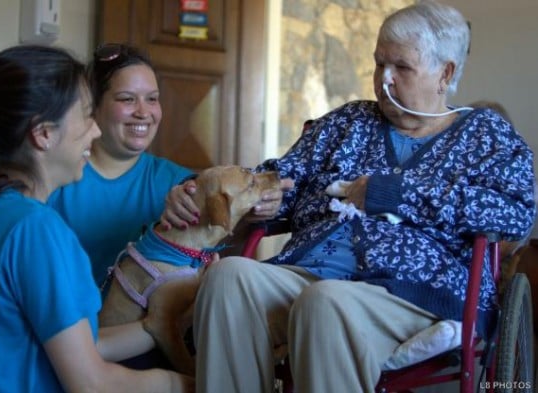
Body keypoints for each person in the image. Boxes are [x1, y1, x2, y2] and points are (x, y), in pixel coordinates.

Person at [161, 2, 536, 392]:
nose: (384, 80)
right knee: (228, 276)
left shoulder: (485, 135)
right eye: (379, 64)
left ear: (446, 73)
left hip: (413, 290)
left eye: (402, 68)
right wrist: (245, 196)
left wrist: (395, 193)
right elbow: (278, 176)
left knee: (325, 302)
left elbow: (514, 213)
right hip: (310, 272)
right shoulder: (349, 121)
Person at [0, 45, 192, 392]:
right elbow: (91, 383)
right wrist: (189, 384)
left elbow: (81, 343)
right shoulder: (37, 230)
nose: (95, 132)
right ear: (44, 134)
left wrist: (154, 326)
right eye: (86, 115)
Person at [48, 44, 194, 288]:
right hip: (66, 324)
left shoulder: (179, 184)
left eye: (152, 99)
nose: (143, 112)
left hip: (142, 324)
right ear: (93, 106)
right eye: (127, 99)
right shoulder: (56, 179)